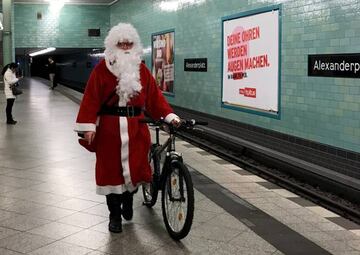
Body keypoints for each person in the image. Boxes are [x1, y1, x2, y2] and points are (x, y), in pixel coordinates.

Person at [74, 23, 181, 233]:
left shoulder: (141, 69)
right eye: (120, 43)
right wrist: (88, 126)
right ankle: (114, 216)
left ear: (135, 45)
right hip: (109, 131)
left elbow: (154, 98)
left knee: (135, 168)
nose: (125, 47)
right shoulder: (101, 70)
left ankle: (129, 200)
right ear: (112, 45)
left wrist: (168, 116)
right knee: (110, 173)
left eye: (128, 43)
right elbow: (90, 99)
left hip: (136, 129)